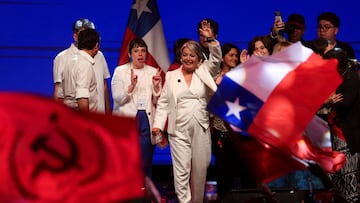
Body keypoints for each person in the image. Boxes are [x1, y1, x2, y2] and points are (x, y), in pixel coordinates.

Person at [152, 21, 221, 203]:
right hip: (178, 130)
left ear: (199, 59)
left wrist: (210, 39)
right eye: (185, 55)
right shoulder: (172, 76)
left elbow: (216, 59)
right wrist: (158, 127)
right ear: (180, 57)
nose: (188, 58)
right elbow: (164, 103)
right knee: (181, 171)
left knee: (200, 169)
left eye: (192, 55)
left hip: (201, 127)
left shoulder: (204, 71)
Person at [111, 38, 162, 179]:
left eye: (143, 51)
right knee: (127, 161)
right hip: (128, 120)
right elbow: (117, 98)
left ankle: (144, 194)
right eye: (136, 51)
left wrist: (157, 87)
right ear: (129, 54)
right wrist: (131, 87)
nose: (140, 54)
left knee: (145, 162)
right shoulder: (120, 71)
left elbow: (158, 102)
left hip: (146, 119)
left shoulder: (153, 71)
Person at [210, 43, 252, 200]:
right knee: (223, 173)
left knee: (243, 172)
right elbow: (210, 104)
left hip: (240, 134)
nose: (234, 58)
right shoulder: (214, 79)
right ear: (222, 58)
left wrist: (245, 67)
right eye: (231, 55)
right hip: (221, 133)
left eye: (236, 56)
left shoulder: (241, 76)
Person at [323, 49, 360, 202]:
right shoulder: (336, 78)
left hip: (347, 136)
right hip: (335, 134)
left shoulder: (351, 79)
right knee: (337, 180)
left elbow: (345, 102)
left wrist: (329, 98)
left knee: (349, 177)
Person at [53, 18, 111, 113]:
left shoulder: (71, 60)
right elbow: (81, 97)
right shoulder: (82, 63)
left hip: (80, 117)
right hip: (84, 118)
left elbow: (61, 93)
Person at [62, 29, 100, 111]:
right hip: (79, 119)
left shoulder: (69, 61)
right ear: (96, 46)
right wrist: (85, 122)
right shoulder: (85, 64)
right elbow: (82, 98)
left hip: (69, 115)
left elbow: (60, 93)